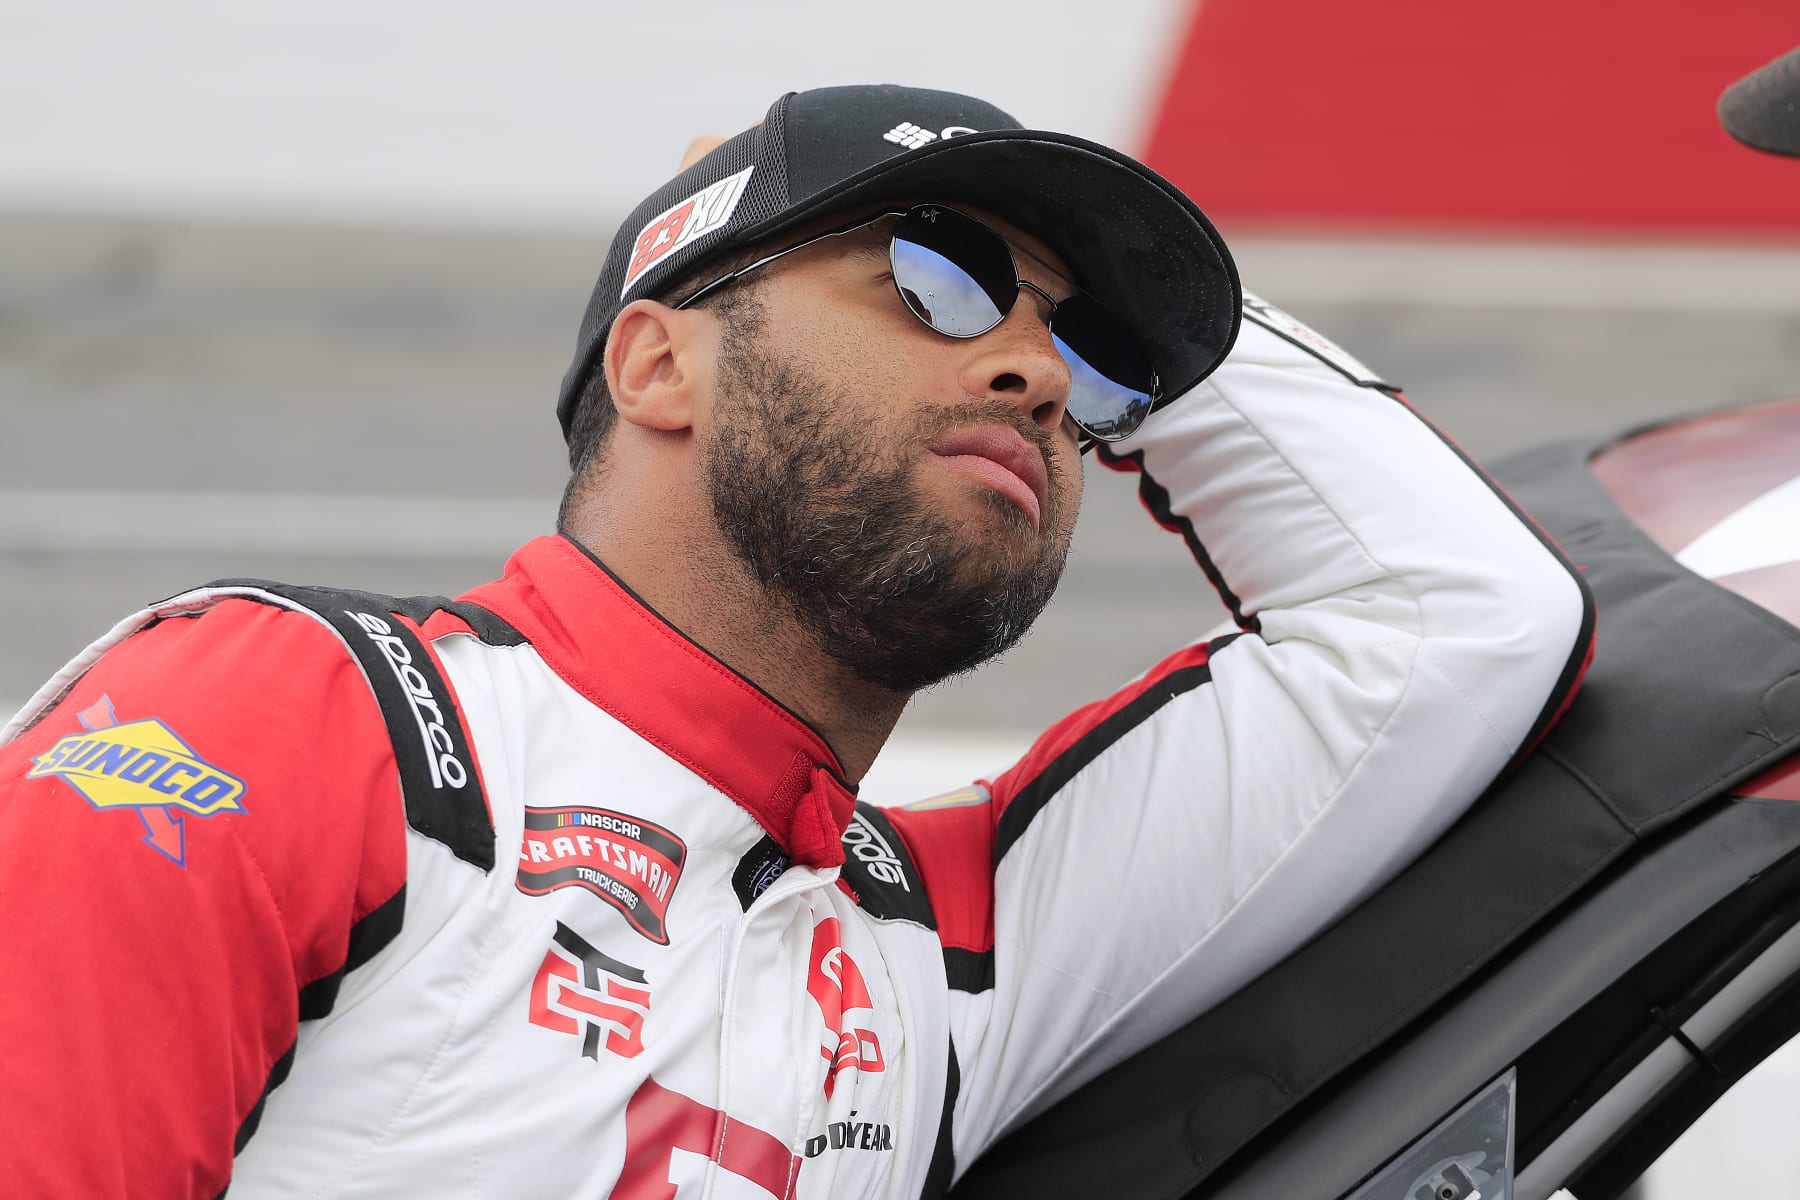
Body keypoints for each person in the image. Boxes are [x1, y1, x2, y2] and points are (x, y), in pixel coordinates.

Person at [0, 84, 1593, 1198]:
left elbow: (1457, 616)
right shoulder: (291, 716)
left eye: (1093, 361)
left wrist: (1167, 346)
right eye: (937, 277)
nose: (1043, 379)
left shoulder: (948, 951)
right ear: (656, 366)